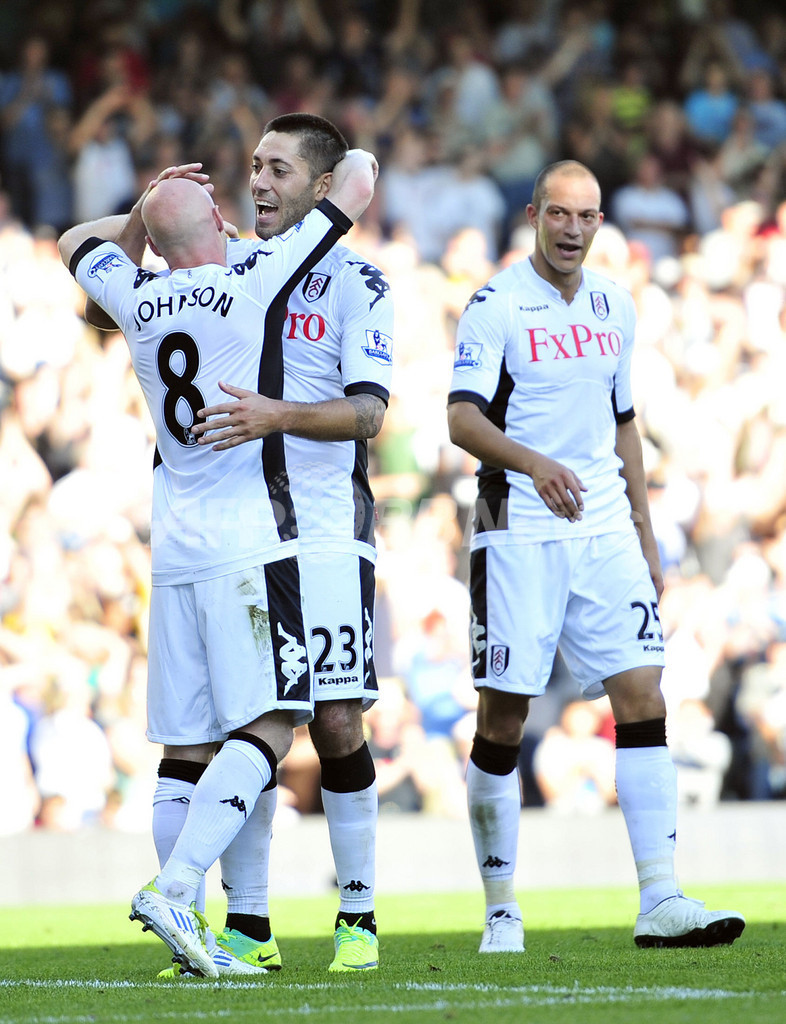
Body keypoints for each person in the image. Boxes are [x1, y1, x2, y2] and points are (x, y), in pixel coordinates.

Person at [86, 114, 392, 975]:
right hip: (243, 533)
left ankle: (357, 917)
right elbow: (97, 315)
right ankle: (245, 926)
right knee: (246, 723)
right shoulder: (234, 267)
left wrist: (279, 415)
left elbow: (370, 412)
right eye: (253, 165)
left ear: (321, 187)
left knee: (333, 718)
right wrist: (153, 213)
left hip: (322, 526)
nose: (257, 181)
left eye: (279, 168)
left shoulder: (356, 281)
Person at [446, 159, 746, 952]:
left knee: (644, 694)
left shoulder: (616, 303)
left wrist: (645, 531)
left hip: (605, 523)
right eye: (559, 214)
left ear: (600, 223)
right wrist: (534, 463)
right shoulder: (495, 305)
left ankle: (661, 896)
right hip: (514, 523)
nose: (572, 229)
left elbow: (623, 424)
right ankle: (501, 907)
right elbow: (461, 421)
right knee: (504, 713)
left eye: (586, 216)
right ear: (534, 216)